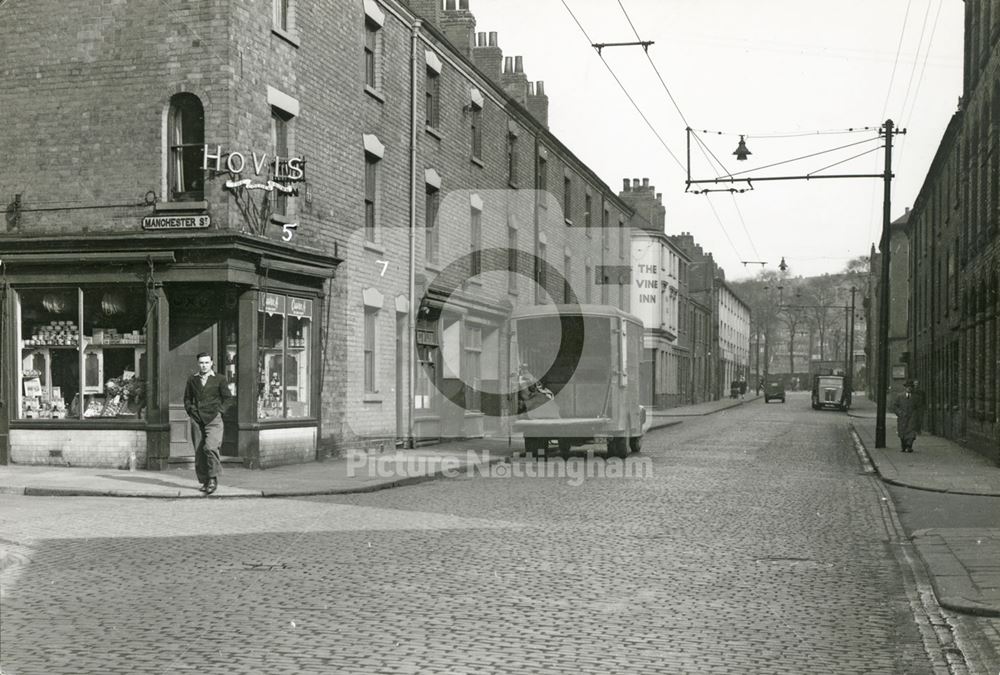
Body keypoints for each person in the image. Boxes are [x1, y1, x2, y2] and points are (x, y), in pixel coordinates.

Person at [184, 352, 233, 495]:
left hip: (214, 419)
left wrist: (220, 411)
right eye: (201, 363)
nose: (204, 365)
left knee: (210, 448)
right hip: (197, 419)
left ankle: (213, 478)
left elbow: (228, 399)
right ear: (197, 364)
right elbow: (187, 398)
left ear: (212, 363)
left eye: (206, 362)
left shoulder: (219, 379)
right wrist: (191, 411)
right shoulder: (192, 379)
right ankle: (204, 480)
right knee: (199, 452)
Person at [892, 380, 917, 453]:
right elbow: (894, 406)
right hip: (902, 418)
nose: (909, 388)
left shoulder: (915, 397)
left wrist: (915, 415)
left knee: (911, 433)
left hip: (912, 418)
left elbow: (918, 407)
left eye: (910, 387)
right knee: (902, 433)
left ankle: (909, 446)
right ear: (905, 388)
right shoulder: (900, 396)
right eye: (908, 387)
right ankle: (903, 446)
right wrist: (900, 413)